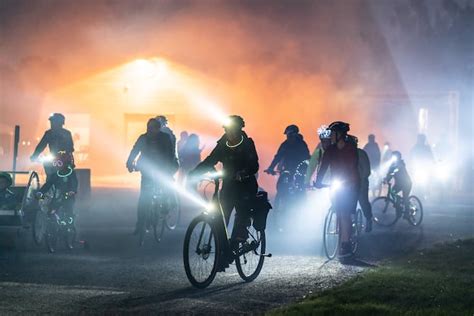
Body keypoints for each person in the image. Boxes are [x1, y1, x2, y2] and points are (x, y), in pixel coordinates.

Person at [189, 115, 259, 269]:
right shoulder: (223, 144)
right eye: (227, 130)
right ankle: (223, 252)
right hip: (228, 186)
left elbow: (254, 165)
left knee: (241, 216)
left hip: (246, 186)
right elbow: (210, 160)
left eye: (232, 130)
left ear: (239, 129)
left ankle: (236, 244)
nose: (230, 133)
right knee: (221, 217)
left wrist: (243, 172)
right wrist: (194, 172)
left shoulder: (247, 143)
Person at [315, 121, 360, 259]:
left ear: (340, 135)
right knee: (338, 211)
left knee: (344, 213)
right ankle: (344, 237)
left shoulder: (350, 149)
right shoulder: (331, 150)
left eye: (333, 133)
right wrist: (318, 181)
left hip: (351, 184)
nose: (331, 136)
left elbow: (352, 166)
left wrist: (348, 181)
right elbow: (323, 166)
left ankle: (345, 243)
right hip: (337, 184)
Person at [126, 118, 176, 235]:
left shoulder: (165, 138)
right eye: (148, 128)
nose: (150, 130)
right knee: (143, 197)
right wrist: (129, 163)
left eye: (153, 128)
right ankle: (140, 224)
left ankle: (166, 206)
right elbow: (135, 150)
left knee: (164, 186)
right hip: (147, 169)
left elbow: (170, 154)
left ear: (158, 129)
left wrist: (168, 168)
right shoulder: (143, 138)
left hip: (161, 167)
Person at [36, 151, 78, 221]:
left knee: (68, 210)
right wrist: (41, 192)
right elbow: (48, 184)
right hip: (57, 197)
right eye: (55, 163)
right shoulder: (55, 175)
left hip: (67, 197)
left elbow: (74, 183)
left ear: (65, 163)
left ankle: (70, 223)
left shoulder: (71, 174)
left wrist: (72, 191)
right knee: (50, 211)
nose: (57, 166)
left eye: (59, 163)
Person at [30, 113, 74, 179]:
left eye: (54, 122)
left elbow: (70, 147)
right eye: (51, 122)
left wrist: (63, 153)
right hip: (53, 158)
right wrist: (35, 155)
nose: (52, 124)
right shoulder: (49, 133)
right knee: (49, 175)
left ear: (60, 123)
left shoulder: (66, 133)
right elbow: (41, 146)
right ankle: (50, 182)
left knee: (69, 175)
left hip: (65, 160)